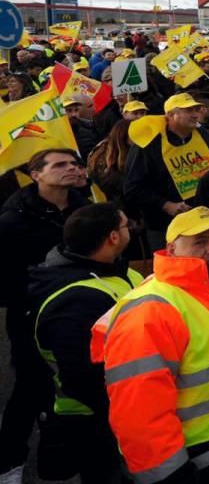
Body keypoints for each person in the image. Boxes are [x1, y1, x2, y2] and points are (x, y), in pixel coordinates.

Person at [95, 207, 209, 484]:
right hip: (205, 460)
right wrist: (172, 477)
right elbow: (140, 417)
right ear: (171, 248)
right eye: (200, 242)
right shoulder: (149, 311)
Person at [27, 203, 139, 484]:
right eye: (126, 225)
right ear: (113, 237)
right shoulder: (73, 301)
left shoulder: (118, 271)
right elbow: (82, 378)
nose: (131, 229)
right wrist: (131, 415)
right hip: (96, 423)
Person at [0, 149, 90, 481]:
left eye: (73, 163)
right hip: (32, 318)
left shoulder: (85, 207)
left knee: (79, 384)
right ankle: (9, 461)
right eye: (59, 165)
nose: (70, 169)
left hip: (83, 315)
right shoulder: (13, 219)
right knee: (30, 388)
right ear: (35, 174)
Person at [123, 92, 209, 250]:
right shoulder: (149, 144)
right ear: (170, 114)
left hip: (206, 219)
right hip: (165, 227)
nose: (196, 115)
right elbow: (132, 189)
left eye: (197, 110)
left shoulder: (204, 135)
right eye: (188, 111)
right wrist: (165, 204)